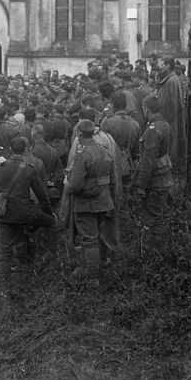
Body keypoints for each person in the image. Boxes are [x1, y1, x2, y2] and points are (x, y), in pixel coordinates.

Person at [0, 137, 58, 293]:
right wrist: (49, 212)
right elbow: (42, 195)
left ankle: (6, 288)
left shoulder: (0, 167)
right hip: (25, 212)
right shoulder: (29, 169)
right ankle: (51, 259)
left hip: (5, 214)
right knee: (51, 223)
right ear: (26, 149)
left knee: (5, 251)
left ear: (10, 150)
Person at [63, 119, 118, 283]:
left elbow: (76, 185)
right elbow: (113, 180)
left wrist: (67, 185)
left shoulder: (82, 154)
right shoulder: (104, 150)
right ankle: (91, 267)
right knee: (97, 236)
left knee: (88, 240)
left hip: (86, 204)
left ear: (79, 134)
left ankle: (92, 279)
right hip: (104, 201)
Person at [132, 95, 174, 252]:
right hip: (164, 178)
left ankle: (157, 254)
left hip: (155, 182)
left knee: (153, 219)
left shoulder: (152, 130)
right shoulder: (165, 125)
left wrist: (141, 186)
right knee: (161, 215)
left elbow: (148, 162)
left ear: (145, 109)